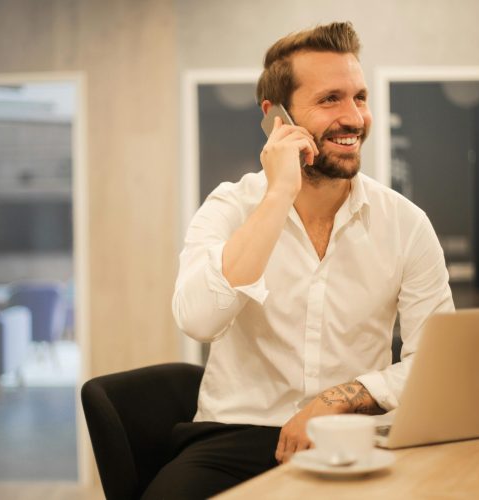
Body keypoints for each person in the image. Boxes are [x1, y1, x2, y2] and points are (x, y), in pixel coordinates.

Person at [146, 21, 454, 499]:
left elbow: (436, 363)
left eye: (360, 97)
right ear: (277, 118)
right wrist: (279, 193)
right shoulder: (229, 207)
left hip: (355, 435)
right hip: (235, 436)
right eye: (330, 99)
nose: (354, 118)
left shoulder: (406, 224)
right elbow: (199, 320)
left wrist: (337, 400)